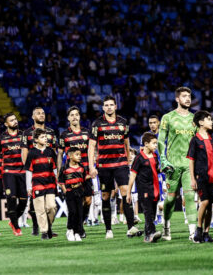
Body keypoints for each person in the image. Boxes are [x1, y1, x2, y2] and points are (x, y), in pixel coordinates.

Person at [88, 96, 142, 239]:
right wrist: (91, 166)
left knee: (125, 192)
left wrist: (128, 155)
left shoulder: (123, 122)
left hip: (121, 164)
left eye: (111, 105)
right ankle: (108, 229)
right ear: (103, 108)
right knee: (106, 196)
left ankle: (131, 227)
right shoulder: (97, 124)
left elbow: (126, 141)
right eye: (106, 105)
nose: (109, 107)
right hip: (104, 166)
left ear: (116, 106)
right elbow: (91, 146)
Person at [157, 87, 197, 241]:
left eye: (189, 96)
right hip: (172, 165)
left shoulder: (194, 119)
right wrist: (163, 159)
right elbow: (161, 140)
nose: (188, 99)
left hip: (188, 165)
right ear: (177, 99)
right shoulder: (168, 117)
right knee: (171, 199)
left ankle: (193, 232)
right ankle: (166, 226)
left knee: (190, 197)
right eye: (184, 96)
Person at [22, 107, 58, 236]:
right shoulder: (26, 133)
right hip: (36, 177)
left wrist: (58, 179)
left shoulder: (51, 133)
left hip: (49, 180)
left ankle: (47, 228)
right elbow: (24, 153)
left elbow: (55, 161)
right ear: (32, 116)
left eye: (43, 113)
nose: (41, 115)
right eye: (38, 113)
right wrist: (29, 182)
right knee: (38, 207)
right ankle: (41, 230)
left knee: (51, 206)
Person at [188, 111, 213, 243]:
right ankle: (198, 230)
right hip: (201, 176)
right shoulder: (195, 140)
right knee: (205, 202)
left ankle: (206, 233)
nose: (211, 121)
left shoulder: (212, 139)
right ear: (201, 123)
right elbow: (191, 160)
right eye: (208, 119)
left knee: (211, 205)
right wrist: (192, 178)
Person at [58, 106, 92, 237]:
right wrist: (59, 171)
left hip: (86, 172)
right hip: (71, 174)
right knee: (75, 202)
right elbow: (60, 154)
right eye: (71, 115)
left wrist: (92, 167)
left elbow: (91, 150)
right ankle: (76, 229)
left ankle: (79, 224)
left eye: (76, 114)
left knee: (88, 200)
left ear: (79, 116)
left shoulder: (86, 133)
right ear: (68, 118)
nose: (74, 117)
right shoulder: (64, 135)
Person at [0, 113, 25, 236]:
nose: (15, 121)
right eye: (11, 120)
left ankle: (13, 220)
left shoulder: (23, 135)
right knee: (11, 199)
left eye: (15, 119)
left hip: (22, 172)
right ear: (6, 124)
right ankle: (16, 227)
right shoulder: (1, 138)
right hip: (8, 173)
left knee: (24, 202)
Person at [128, 132, 162, 243]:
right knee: (148, 212)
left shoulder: (155, 156)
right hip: (144, 189)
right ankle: (152, 233)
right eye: (154, 143)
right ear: (146, 144)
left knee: (152, 214)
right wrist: (129, 192)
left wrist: (164, 170)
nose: (156, 145)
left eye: (156, 143)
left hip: (155, 188)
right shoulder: (139, 158)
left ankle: (147, 236)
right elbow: (133, 175)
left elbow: (156, 170)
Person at [59, 147, 87, 242]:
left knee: (80, 213)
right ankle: (70, 230)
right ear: (70, 156)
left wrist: (83, 191)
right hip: (70, 192)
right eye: (77, 155)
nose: (79, 157)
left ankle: (77, 232)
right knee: (72, 212)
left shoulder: (82, 168)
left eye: (80, 155)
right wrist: (64, 190)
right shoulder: (64, 168)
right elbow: (61, 181)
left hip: (79, 192)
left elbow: (84, 180)